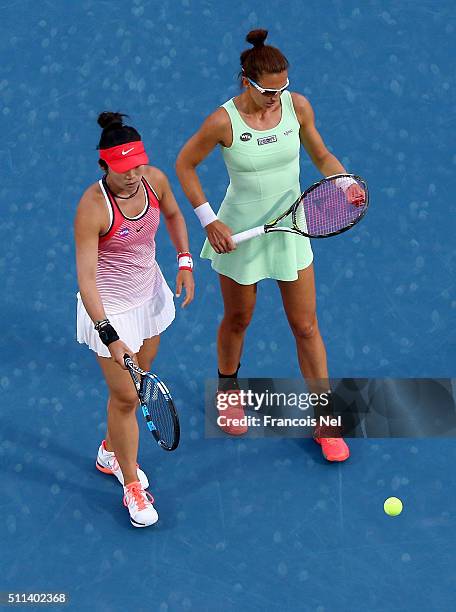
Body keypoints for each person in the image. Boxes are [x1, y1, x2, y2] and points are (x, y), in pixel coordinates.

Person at [176, 29, 364, 461]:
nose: (276, 98)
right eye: (267, 91)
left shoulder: (297, 107)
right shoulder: (223, 122)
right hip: (239, 235)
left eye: (283, 88)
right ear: (247, 82)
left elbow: (321, 154)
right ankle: (228, 390)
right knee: (238, 320)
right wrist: (209, 219)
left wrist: (344, 181)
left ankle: (324, 418)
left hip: (291, 229)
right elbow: (185, 164)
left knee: (306, 326)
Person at [74, 112, 194, 527]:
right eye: (124, 169)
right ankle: (130, 484)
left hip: (150, 297)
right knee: (127, 398)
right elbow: (87, 281)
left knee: (140, 382)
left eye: (138, 165)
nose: (133, 176)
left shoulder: (154, 180)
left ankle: (112, 449)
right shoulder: (93, 207)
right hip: (109, 311)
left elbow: (175, 216)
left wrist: (184, 261)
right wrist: (109, 335)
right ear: (105, 165)